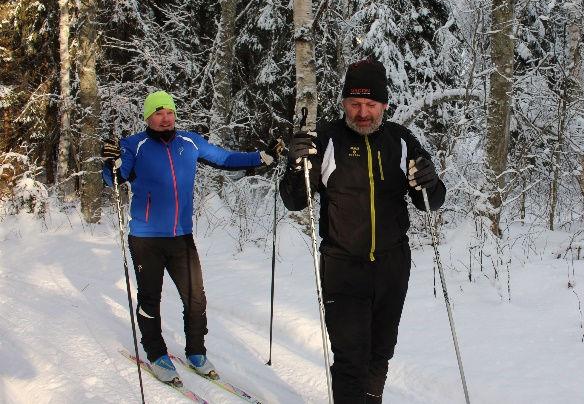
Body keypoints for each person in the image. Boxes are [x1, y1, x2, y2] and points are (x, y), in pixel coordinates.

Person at [279, 59, 445, 403]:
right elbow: (295, 201)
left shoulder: (401, 141)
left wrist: (430, 180)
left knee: (379, 355)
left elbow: (430, 201)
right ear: (343, 104)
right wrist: (295, 168)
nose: (363, 113)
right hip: (343, 266)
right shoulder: (325, 140)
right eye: (355, 104)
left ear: (384, 105)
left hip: (392, 266)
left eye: (371, 105)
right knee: (351, 358)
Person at [102, 90, 275, 383]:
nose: (165, 118)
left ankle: (196, 352)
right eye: (158, 113)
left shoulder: (190, 141)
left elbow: (225, 158)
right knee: (150, 298)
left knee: (196, 298)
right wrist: (111, 163)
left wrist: (261, 157)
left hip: (181, 236)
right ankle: (156, 353)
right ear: (148, 117)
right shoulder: (135, 145)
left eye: (169, 112)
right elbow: (116, 179)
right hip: (146, 238)